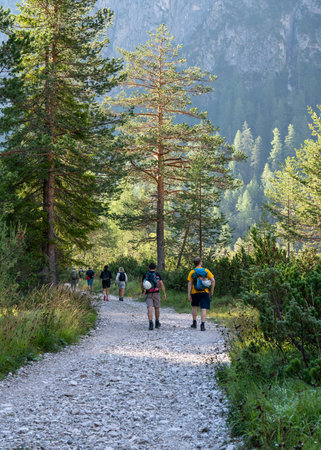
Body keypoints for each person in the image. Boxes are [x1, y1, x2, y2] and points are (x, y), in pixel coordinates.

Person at [187, 257, 215, 331]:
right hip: (204, 292)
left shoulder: (192, 272)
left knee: (194, 307)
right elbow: (213, 280)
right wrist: (211, 291)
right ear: (201, 262)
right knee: (203, 309)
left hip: (194, 292)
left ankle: (194, 323)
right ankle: (202, 325)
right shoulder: (206, 270)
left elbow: (189, 284)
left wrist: (189, 294)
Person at [142, 262, 166, 330]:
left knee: (149, 307)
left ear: (149, 268)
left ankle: (150, 323)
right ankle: (157, 322)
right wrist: (164, 293)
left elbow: (143, 284)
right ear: (155, 268)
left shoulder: (146, 274)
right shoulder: (157, 274)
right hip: (156, 293)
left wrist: (143, 291)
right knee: (157, 308)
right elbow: (161, 284)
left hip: (148, 293)